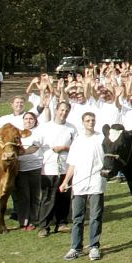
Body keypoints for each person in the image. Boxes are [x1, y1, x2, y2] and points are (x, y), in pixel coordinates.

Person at [59, 112, 106, 260]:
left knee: (95, 216)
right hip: (80, 183)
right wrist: (66, 181)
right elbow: (72, 163)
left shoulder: (101, 138)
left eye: (93, 120)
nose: (90, 123)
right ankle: (76, 247)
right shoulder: (78, 141)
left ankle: (94, 246)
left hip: (97, 182)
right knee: (77, 217)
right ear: (83, 122)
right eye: (88, 120)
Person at [37, 101, 75, 237]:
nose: (63, 113)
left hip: (66, 168)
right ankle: (44, 226)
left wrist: (64, 148)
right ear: (56, 110)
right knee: (48, 197)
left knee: (63, 197)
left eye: (66, 111)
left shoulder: (72, 128)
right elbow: (37, 144)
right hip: (49, 168)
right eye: (61, 110)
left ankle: (62, 223)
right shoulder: (45, 127)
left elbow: (76, 147)